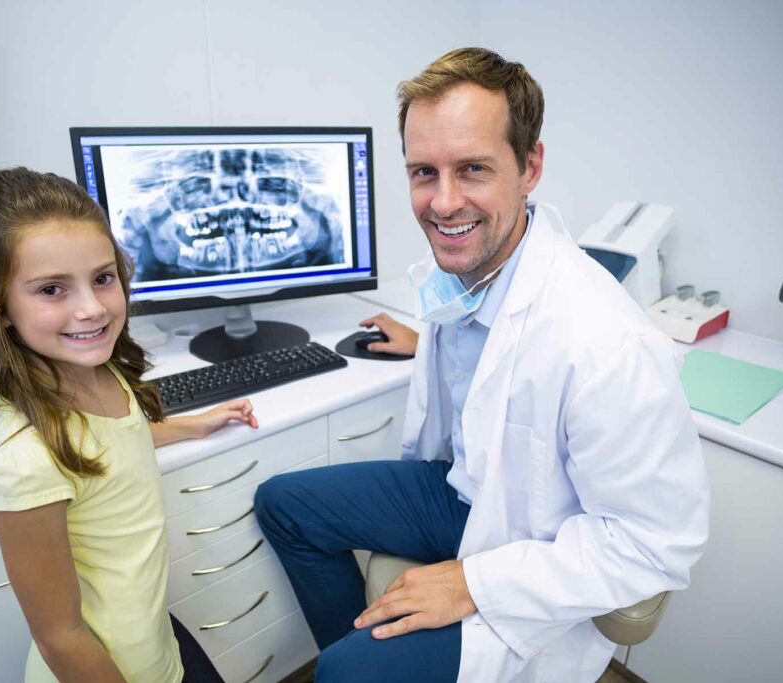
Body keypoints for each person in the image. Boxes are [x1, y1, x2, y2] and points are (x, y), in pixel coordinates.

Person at [254, 48, 710, 682]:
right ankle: (370, 655)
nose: (443, 203)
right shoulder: (472, 276)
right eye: (424, 172)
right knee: (284, 504)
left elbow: (653, 546)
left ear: (530, 167)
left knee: (342, 674)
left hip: (539, 547)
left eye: (472, 169)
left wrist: (475, 582)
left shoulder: (609, 345)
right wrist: (425, 339)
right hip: (467, 490)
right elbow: (501, 359)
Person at [0, 167, 257, 683]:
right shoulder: (22, 457)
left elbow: (111, 446)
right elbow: (60, 637)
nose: (92, 309)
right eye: (52, 289)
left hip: (153, 638)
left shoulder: (98, 369)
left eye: (102, 278)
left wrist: (192, 426)